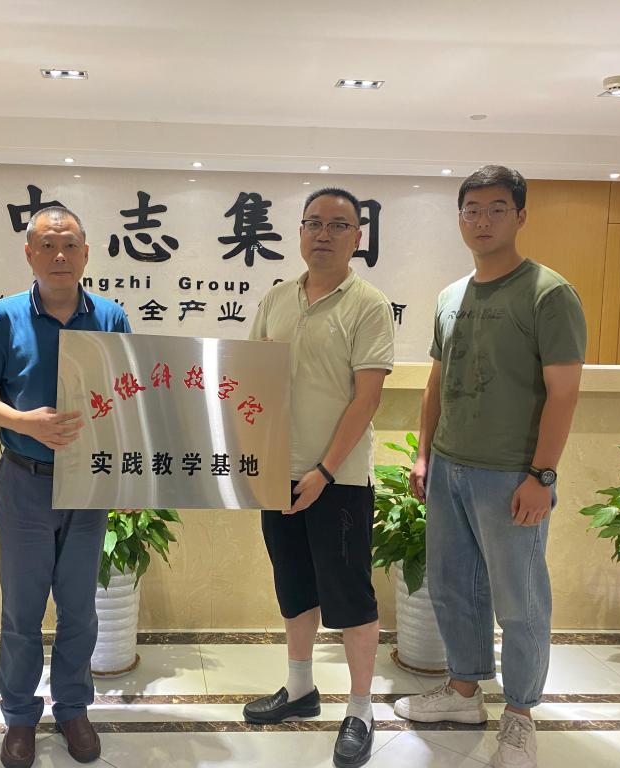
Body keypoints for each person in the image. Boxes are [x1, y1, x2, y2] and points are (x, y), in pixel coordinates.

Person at [394, 165, 586, 768]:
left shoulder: (548, 294)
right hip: (450, 467)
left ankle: (521, 716)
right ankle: (462, 691)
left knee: (521, 601)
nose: (482, 221)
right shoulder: (451, 296)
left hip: (511, 475)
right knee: (453, 587)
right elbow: (436, 382)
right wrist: (424, 454)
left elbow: (563, 393)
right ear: (459, 218)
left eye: (497, 209)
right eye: (471, 210)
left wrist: (542, 475)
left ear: (520, 216)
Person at [0, 206, 131, 768]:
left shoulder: (110, 316)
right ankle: (19, 717)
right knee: (22, 609)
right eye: (47, 245)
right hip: (24, 482)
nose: (59, 255)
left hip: (88, 484)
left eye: (69, 245)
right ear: (29, 253)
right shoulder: (4, 317)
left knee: (80, 607)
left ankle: (73, 708)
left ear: (86, 253)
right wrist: (24, 421)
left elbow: (129, 396)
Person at [243, 188, 394, 768]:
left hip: (340, 480)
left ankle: (360, 709)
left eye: (338, 225)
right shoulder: (277, 298)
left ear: (358, 237)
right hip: (277, 473)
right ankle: (301, 689)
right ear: (300, 232)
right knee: (293, 585)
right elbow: (250, 380)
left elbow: (367, 398)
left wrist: (324, 471)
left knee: (350, 594)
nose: (323, 234)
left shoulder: (368, 305)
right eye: (313, 223)